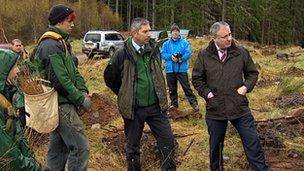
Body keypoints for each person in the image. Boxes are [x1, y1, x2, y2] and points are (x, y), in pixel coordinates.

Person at [192, 21, 269, 171]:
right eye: (224, 36)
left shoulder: (241, 52)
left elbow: (252, 73)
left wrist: (245, 87)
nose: (229, 38)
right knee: (216, 149)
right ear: (214, 38)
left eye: (230, 34)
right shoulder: (203, 55)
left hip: (239, 107)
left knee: (253, 143)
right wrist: (208, 94)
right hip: (215, 109)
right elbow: (197, 79)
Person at [104, 17, 176, 171]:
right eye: (145, 31)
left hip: (156, 107)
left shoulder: (154, 49)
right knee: (132, 147)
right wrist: (125, 94)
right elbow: (110, 78)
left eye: (149, 30)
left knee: (168, 141)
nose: (149, 34)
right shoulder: (121, 53)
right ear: (134, 33)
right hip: (134, 109)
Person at [34, 4, 91, 171]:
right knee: (80, 148)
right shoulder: (50, 45)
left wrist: (83, 90)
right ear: (59, 22)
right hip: (60, 104)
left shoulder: (61, 43)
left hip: (62, 102)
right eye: (69, 20)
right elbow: (60, 81)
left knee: (57, 150)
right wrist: (80, 99)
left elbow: (74, 72)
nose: (72, 24)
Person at [0, 48, 47, 171]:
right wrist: (35, 168)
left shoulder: (5, 97)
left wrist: (31, 160)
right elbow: (8, 155)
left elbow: (17, 138)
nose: (18, 71)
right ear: (3, 71)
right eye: (14, 67)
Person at [161, 23, 199, 111]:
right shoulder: (166, 44)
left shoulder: (184, 43)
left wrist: (180, 59)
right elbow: (163, 54)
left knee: (186, 87)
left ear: (179, 33)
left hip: (181, 69)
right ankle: (174, 105)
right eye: (173, 31)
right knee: (172, 89)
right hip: (170, 69)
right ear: (171, 33)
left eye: (177, 31)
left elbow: (188, 53)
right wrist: (171, 57)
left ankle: (194, 103)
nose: (175, 33)